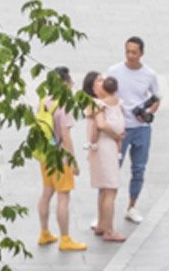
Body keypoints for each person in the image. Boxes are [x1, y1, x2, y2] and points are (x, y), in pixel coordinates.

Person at [105, 36, 162, 220]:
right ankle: (104, 210)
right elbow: (105, 94)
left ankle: (132, 206)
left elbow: (157, 97)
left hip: (141, 128)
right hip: (120, 128)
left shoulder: (149, 74)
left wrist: (149, 113)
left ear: (142, 54)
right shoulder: (114, 71)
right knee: (111, 169)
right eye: (128, 51)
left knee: (139, 168)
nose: (130, 56)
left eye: (134, 52)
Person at [33, 68, 85, 253]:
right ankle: (65, 239)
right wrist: (73, 162)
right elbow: (66, 136)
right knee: (63, 196)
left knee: (46, 192)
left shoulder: (43, 100)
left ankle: (44, 233)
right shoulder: (64, 105)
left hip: (44, 155)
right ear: (65, 82)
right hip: (60, 158)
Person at [85, 71, 127, 241]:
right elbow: (101, 124)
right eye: (99, 81)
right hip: (105, 147)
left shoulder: (102, 103)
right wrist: (116, 136)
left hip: (104, 147)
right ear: (93, 88)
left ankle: (102, 224)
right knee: (110, 188)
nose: (103, 83)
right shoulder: (97, 104)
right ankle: (109, 230)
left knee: (105, 189)